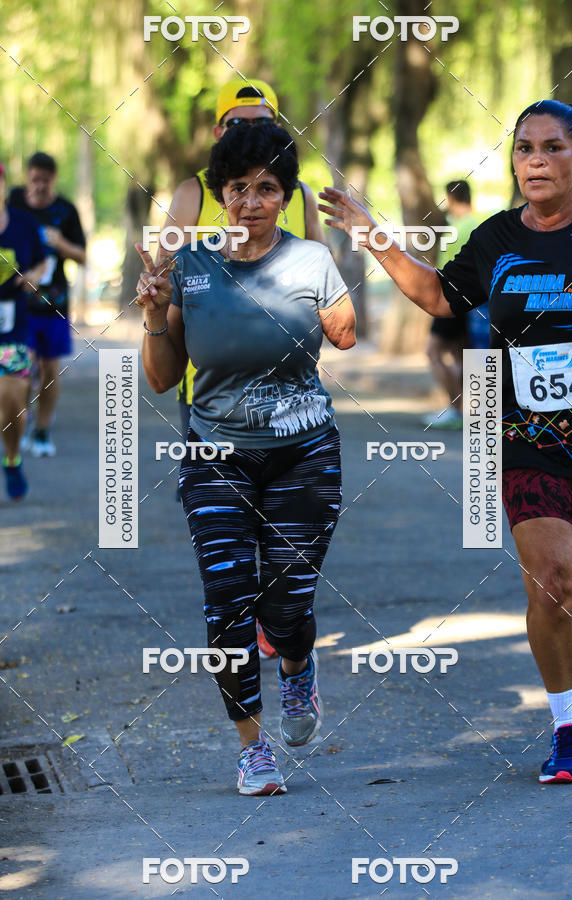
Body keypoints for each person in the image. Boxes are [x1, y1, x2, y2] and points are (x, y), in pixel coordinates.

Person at [319, 96, 572, 785]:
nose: (535, 161)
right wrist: (373, 234)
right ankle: (569, 726)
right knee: (554, 584)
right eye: (524, 149)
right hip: (524, 437)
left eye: (553, 148)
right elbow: (441, 297)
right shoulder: (499, 239)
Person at [136, 122, 356, 796]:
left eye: (267, 188)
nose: (251, 202)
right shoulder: (189, 268)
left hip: (304, 453)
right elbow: (162, 378)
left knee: (285, 604)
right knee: (228, 601)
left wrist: (322, 280)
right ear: (219, 195)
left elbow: (345, 336)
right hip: (216, 456)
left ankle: (296, 668)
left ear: (285, 196)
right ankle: (252, 747)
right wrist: (154, 315)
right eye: (239, 189)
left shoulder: (310, 261)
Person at [161, 76, 325, 661]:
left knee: (282, 531)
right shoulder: (193, 194)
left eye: (262, 125)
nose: (249, 133)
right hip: (206, 389)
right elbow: (165, 278)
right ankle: (242, 613)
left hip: (289, 395)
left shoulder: (297, 197)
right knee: (229, 524)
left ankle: (278, 621)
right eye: (238, 123)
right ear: (217, 132)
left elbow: (321, 281)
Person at [9, 152, 86, 457]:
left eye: (45, 180)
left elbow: (82, 256)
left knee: (50, 368)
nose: (39, 186)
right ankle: (20, 422)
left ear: (53, 179)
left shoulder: (65, 211)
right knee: (22, 365)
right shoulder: (13, 203)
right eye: (34, 179)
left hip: (55, 304)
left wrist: (60, 244)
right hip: (19, 304)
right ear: (27, 177)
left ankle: (42, 430)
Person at [0, 162, 49, 499]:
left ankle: (13, 458)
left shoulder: (22, 223)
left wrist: (34, 276)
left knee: (14, 401)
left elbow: (44, 260)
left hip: (12, 327)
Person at [423, 180, 480, 429]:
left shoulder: (455, 228)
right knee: (460, 355)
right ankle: (465, 410)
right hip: (476, 302)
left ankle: (455, 409)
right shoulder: (482, 224)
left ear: (451, 198)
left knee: (433, 352)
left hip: (451, 300)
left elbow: (444, 272)